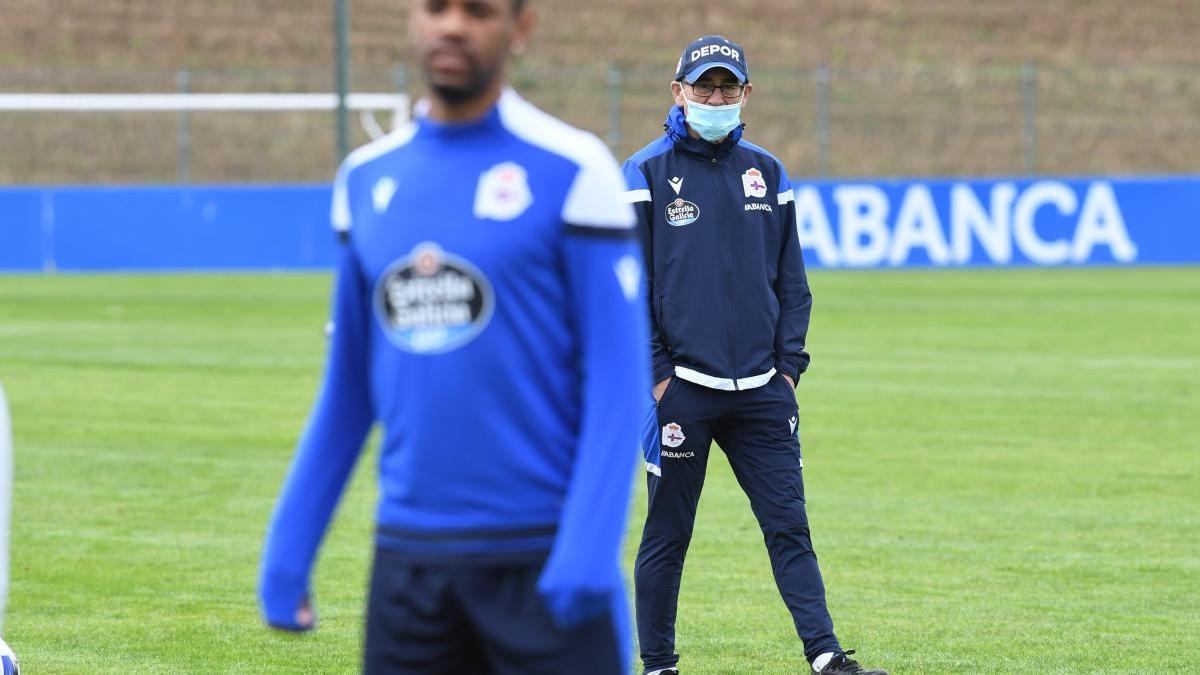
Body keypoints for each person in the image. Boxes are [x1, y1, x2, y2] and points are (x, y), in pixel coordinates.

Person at [258, 0, 650, 672]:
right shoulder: (366, 179)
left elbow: (619, 382)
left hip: (544, 562)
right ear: (412, 19)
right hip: (408, 568)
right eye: (436, 7)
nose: (453, 26)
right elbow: (350, 389)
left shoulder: (573, 170)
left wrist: (586, 550)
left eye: (479, 11)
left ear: (520, 28)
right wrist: (289, 549)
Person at [623, 36, 888, 675]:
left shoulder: (768, 173)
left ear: (747, 94)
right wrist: (659, 378)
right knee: (668, 537)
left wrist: (789, 368)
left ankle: (826, 658)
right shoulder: (644, 173)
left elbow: (791, 282)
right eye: (703, 87)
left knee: (789, 529)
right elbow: (626, 289)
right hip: (680, 388)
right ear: (678, 92)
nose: (715, 99)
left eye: (727, 88)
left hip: (765, 391)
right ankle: (657, 666)